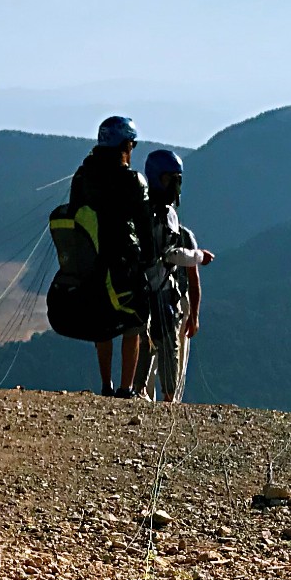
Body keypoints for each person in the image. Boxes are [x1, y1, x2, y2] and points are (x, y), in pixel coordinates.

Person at [67, 116, 154, 397]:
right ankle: (126, 388)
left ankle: (106, 385)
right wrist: (149, 259)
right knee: (134, 322)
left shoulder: (82, 176)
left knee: (102, 322)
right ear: (126, 144)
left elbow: (74, 216)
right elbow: (144, 226)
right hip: (126, 261)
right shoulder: (132, 180)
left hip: (91, 260)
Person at [139, 149, 214, 403]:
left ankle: (162, 398)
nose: (174, 186)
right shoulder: (152, 220)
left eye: (176, 180)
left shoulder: (163, 222)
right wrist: (198, 257)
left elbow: (192, 280)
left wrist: (193, 314)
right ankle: (154, 396)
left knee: (166, 350)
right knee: (159, 348)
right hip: (157, 294)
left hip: (167, 298)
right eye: (170, 179)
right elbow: (176, 260)